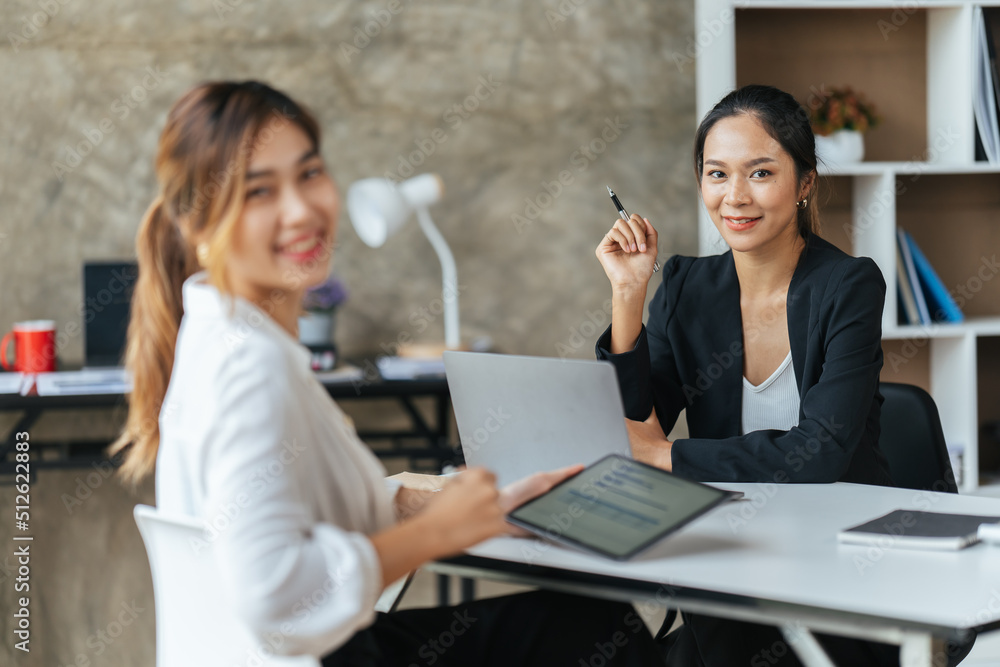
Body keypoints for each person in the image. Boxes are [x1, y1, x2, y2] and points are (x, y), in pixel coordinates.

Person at [110, 80, 667, 666]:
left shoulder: (225, 336)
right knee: (600, 635)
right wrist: (439, 532)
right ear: (198, 226)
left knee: (584, 626)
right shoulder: (249, 369)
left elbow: (287, 509)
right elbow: (275, 596)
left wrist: (467, 509)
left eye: (308, 174)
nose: (300, 209)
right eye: (258, 192)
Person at [594, 84, 922, 666]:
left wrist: (663, 457)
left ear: (804, 183)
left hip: (840, 563)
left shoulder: (847, 286)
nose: (735, 197)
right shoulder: (686, 286)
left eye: (761, 173)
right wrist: (627, 296)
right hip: (729, 549)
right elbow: (635, 423)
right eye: (716, 174)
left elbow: (818, 454)